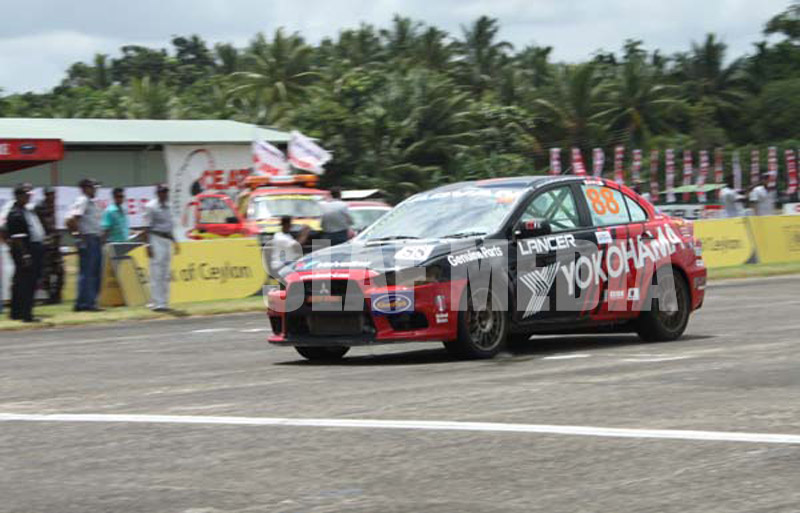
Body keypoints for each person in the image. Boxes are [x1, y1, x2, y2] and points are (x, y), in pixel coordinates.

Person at [5, 183, 44, 322]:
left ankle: (17, 313)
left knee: (22, 282)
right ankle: (27, 314)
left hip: (33, 248)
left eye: (29, 195)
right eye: (26, 195)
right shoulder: (15, 213)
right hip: (26, 250)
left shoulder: (27, 210)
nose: (28, 197)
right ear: (18, 196)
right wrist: (25, 255)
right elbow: (17, 239)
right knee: (28, 283)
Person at [67, 178, 104, 312]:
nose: (95, 190)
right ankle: (87, 304)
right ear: (85, 188)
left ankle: (86, 302)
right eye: (93, 187)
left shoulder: (91, 202)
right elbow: (71, 219)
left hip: (94, 238)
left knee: (92, 272)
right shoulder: (83, 200)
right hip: (89, 239)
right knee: (89, 272)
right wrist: (78, 236)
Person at [143, 184, 180, 311]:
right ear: (157, 193)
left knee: (165, 273)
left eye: (166, 192)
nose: (164, 194)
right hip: (156, 238)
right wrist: (148, 244)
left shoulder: (169, 207)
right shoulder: (151, 207)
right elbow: (146, 227)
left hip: (166, 240)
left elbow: (170, 226)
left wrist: (175, 241)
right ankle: (157, 302)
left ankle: (163, 301)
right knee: (156, 272)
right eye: (162, 192)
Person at [35, 187, 65, 304]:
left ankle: (56, 296)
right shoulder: (40, 207)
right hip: (46, 244)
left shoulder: (52, 207)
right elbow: (42, 226)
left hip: (55, 244)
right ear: (45, 195)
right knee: (46, 272)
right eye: (49, 195)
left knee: (59, 270)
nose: (52, 197)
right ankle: (47, 296)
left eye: (53, 195)